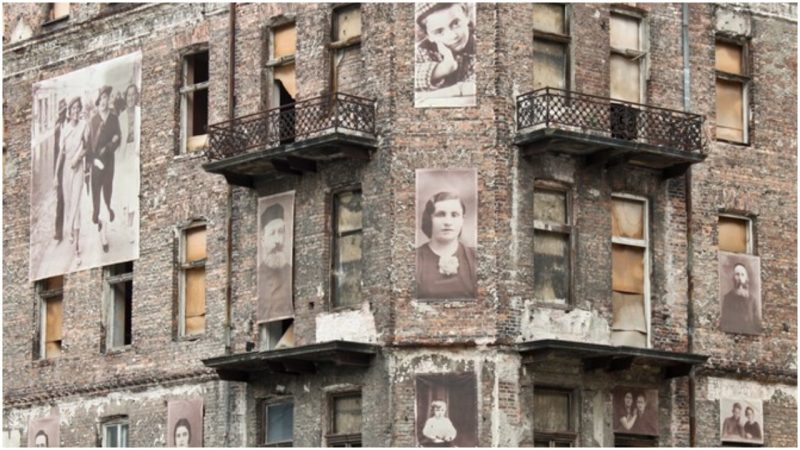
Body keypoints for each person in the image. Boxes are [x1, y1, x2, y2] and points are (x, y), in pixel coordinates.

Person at [416, 191, 477, 299]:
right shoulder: (413, 260)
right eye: (440, 215)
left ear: (462, 219)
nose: (448, 222)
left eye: (454, 215)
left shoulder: (476, 258)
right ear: (430, 218)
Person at [86, 85, 121, 252]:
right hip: (96, 163)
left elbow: (118, 138)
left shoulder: (114, 119)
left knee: (107, 194)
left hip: (109, 162)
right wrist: (92, 160)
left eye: (107, 98)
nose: (104, 101)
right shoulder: (93, 121)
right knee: (96, 195)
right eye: (102, 98)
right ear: (98, 100)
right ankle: (100, 225)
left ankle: (104, 233)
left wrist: (108, 147)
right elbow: (88, 144)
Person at [415, 3, 476, 98]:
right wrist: (444, 67)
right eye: (439, 31)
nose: (453, 35)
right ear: (429, 36)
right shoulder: (422, 50)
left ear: (466, 17)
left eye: (456, 23)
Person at [57, 96, 88, 264]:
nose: (76, 111)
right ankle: (70, 232)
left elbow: (87, 146)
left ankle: (76, 248)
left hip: (78, 170)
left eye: (78, 108)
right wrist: (56, 175)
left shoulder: (84, 126)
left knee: (76, 207)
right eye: (73, 109)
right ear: (69, 112)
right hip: (66, 173)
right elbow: (61, 155)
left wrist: (77, 158)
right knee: (69, 206)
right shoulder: (65, 129)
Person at [258, 203, 292, 319]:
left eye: (281, 232)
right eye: (272, 233)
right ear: (263, 239)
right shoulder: (257, 277)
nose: (278, 240)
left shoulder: (291, 272)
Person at [720, 263, 761, 334]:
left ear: (746, 278)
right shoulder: (727, 298)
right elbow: (725, 323)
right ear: (733, 277)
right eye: (737, 274)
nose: (740, 278)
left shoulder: (752, 299)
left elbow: (756, 323)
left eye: (742, 275)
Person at [52, 99, 68, 242]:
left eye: (64, 111)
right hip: (60, 167)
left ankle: (72, 228)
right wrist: (55, 175)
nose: (62, 114)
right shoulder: (57, 127)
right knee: (60, 199)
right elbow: (55, 153)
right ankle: (58, 231)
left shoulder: (70, 124)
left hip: (70, 166)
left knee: (70, 198)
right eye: (61, 112)